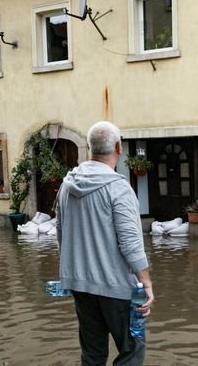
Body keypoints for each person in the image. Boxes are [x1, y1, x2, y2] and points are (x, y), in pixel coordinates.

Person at [56, 121, 153, 366]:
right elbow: (130, 242)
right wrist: (146, 282)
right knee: (133, 349)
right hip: (116, 287)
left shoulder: (66, 186)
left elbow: (60, 235)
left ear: (89, 148)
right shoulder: (119, 188)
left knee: (92, 354)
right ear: (119, 147)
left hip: (81, 286)